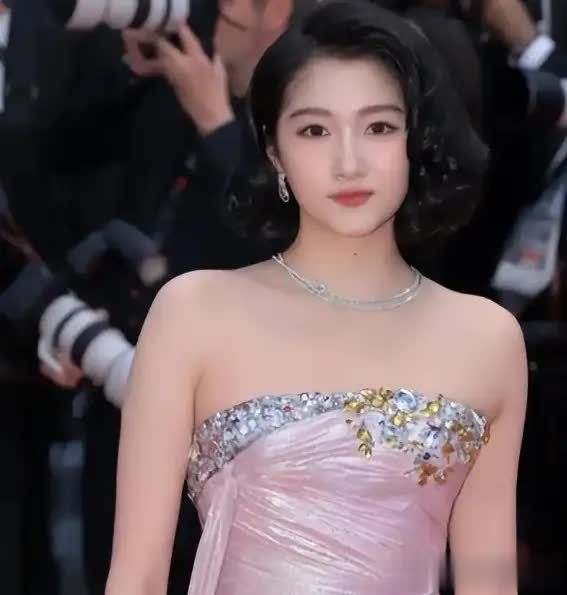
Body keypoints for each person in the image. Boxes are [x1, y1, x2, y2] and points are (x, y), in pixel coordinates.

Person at [107, 0, 527, 593]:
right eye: (314, 130)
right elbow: (137, 577)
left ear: (417, 141)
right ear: (275, 152)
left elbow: (490, 581)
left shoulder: (486, 338)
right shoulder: (194, 313)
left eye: (379, 127)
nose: (348, 162)